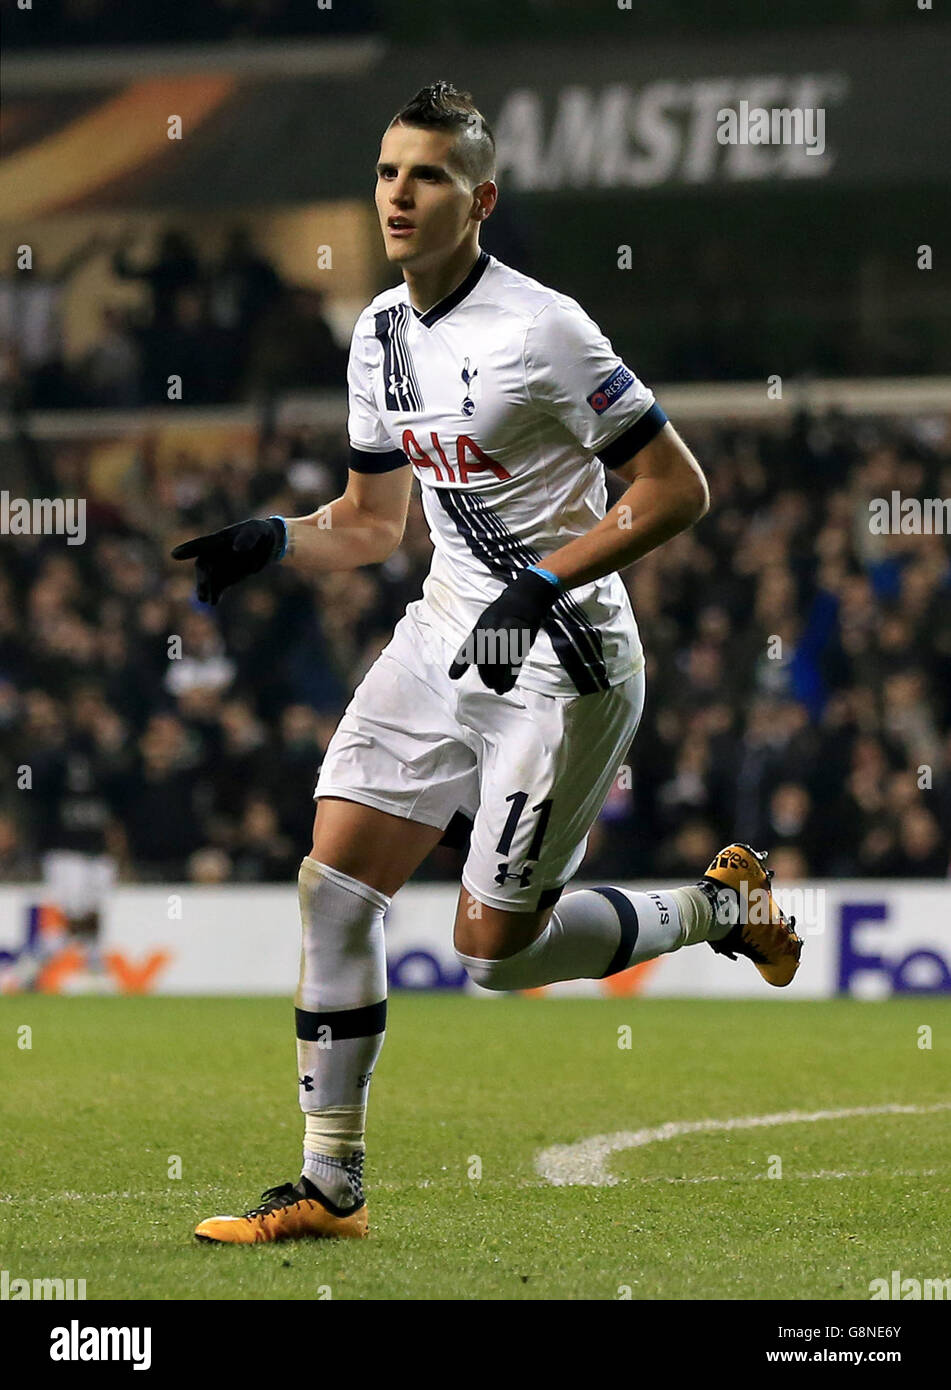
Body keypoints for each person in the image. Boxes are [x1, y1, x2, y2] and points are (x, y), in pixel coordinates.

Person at [173, 82, 802, 1245]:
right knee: (334, 885)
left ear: (482, 199)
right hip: (446, 629)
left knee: (492, 957)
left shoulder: (545, 331)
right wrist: (277, 534)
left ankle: (721, 905)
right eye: (386, 172)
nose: (399, 194)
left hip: (563, 662)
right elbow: (372, 522)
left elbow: (678, 489)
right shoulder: (377, 335)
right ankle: (330, 1185)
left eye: (428, 176)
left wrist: (544, 580)